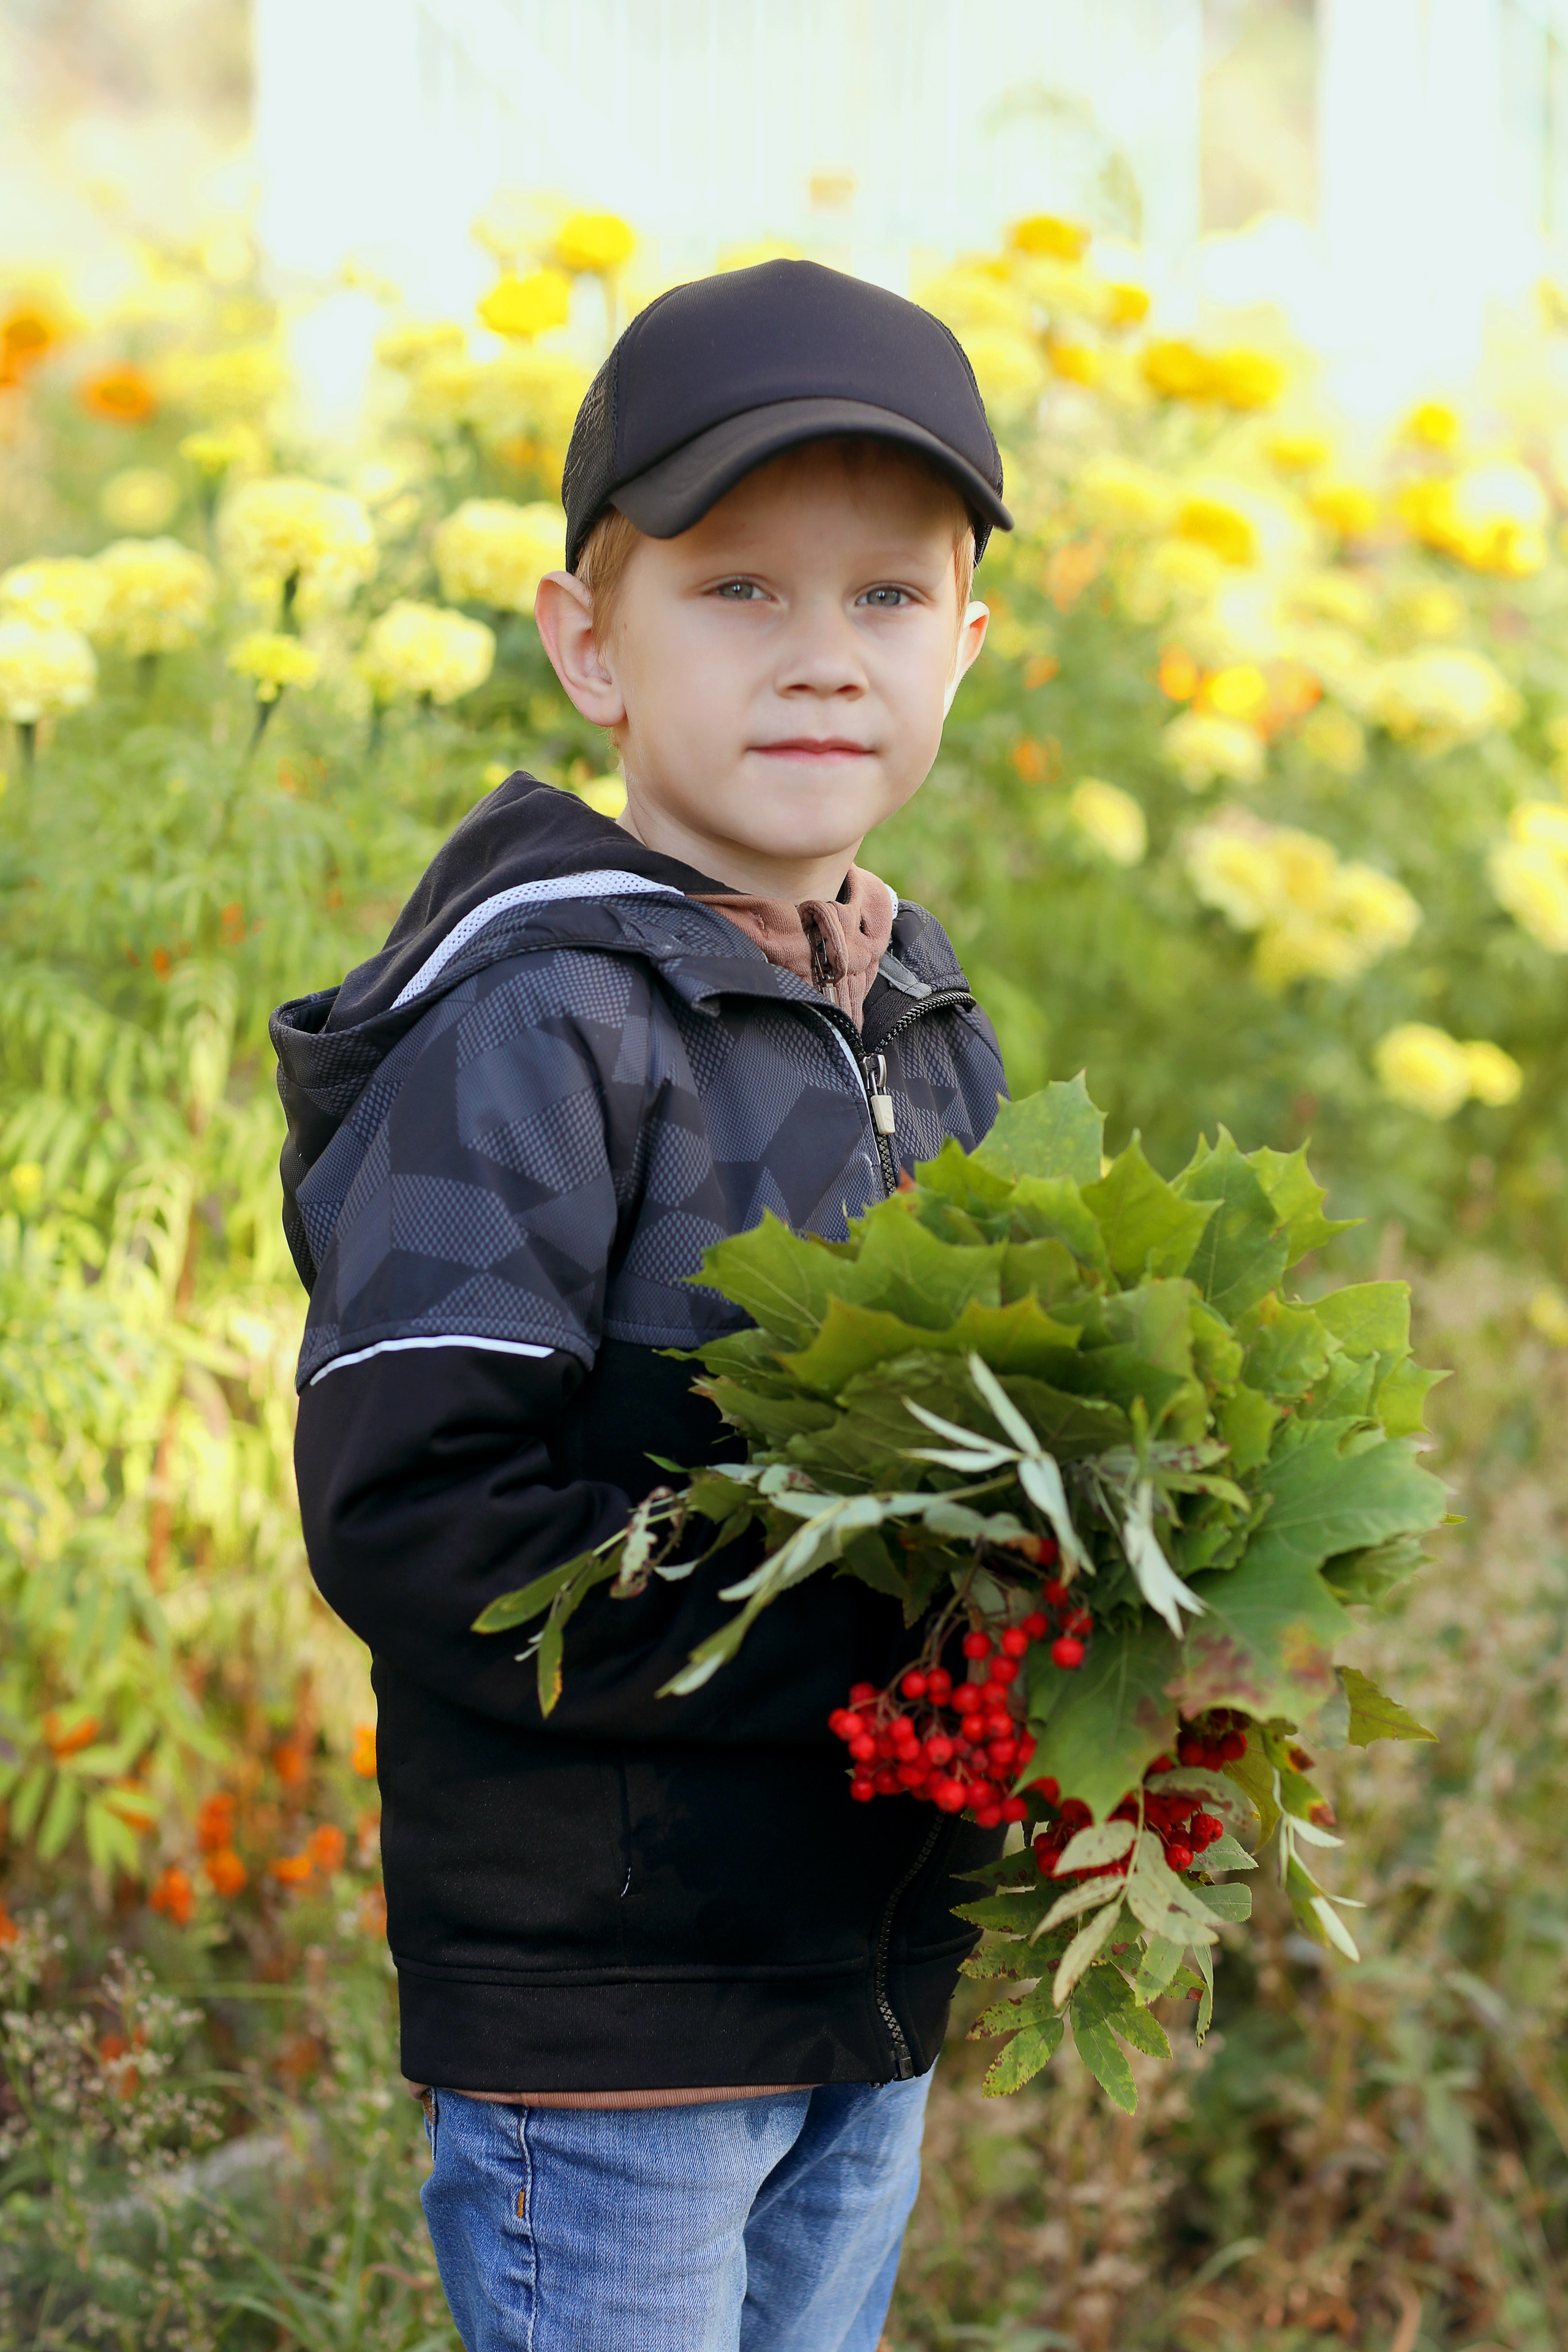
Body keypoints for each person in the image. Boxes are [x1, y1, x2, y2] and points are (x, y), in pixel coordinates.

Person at [272, 258, 1014, 2352]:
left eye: (887, 595)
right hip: (616, 2020)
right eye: (738, 588)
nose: (823, 655)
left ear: (966, 647)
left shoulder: (926, 1017)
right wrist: (844, 1647)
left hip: (861, 1979)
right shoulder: (542, 1027)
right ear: (590, 642)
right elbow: (422, 1514)